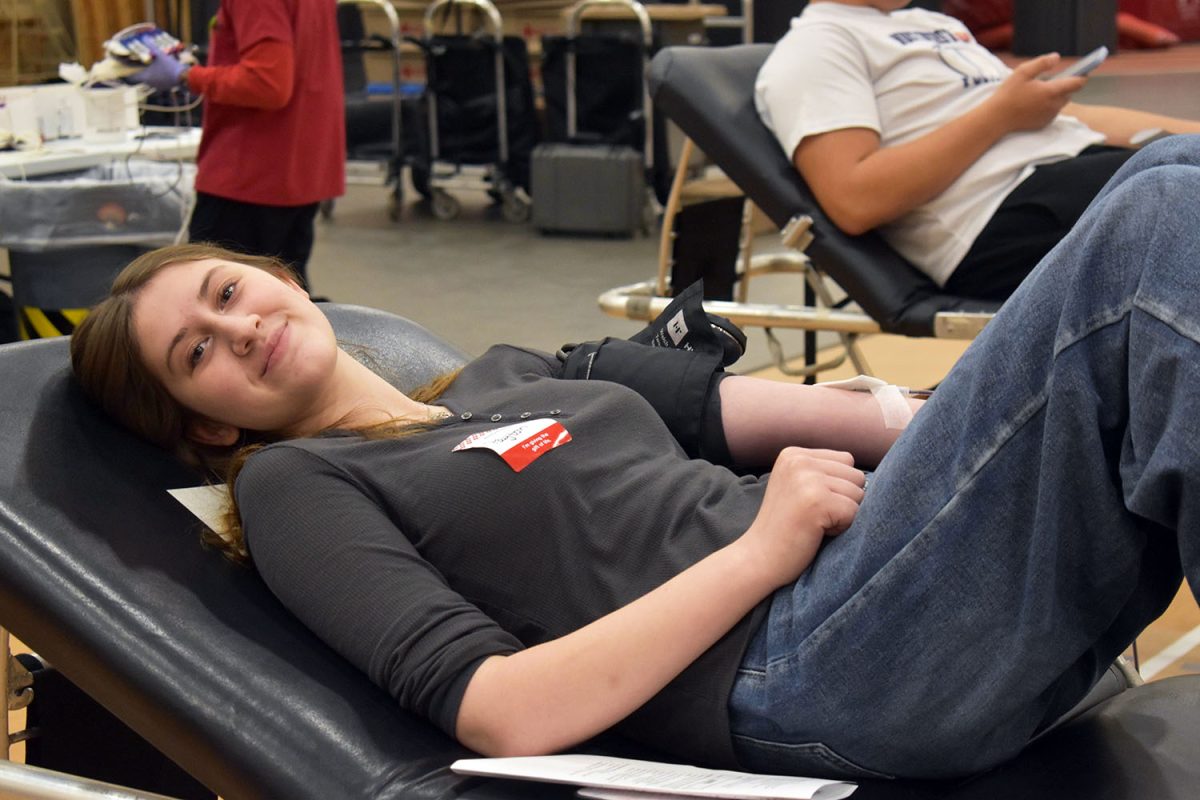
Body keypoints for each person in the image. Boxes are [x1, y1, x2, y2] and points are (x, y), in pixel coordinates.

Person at [69, 135, 1200, 781]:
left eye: (227, 294)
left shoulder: (504, 374)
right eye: (197, 354)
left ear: (274, 273)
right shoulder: (294, 483)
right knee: (1150, 219)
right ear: (208, 422)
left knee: (1168, 176)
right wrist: (762, 553)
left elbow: (790, 415)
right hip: (792, 655)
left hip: (867, 558)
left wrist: (947, 416)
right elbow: (497, 707)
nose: (239, 328)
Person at [755, 0, 1200, 300]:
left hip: (1066, 177)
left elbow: (1068, 117)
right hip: (995, 218)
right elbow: (854, 198)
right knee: (1173, 189)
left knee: (1177, 166)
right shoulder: (816, 45)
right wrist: (1000, 115)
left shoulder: (936, 25)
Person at [131, 0, 345, 291]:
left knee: (214, 295)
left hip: (251, 174)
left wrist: (187, 77)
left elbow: (268, 83)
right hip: (301, 166)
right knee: (287, 297)